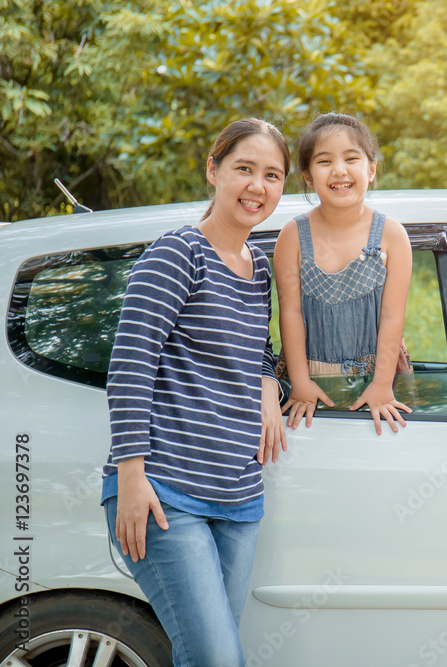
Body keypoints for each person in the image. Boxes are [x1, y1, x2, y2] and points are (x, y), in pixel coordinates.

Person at [101, 118, 290, 666]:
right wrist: (131, 478)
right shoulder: (177, 254)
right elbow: (130, 366)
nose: (258, 186)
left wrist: (267, 385)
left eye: (272, 175)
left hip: (238, 498)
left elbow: (257, 349)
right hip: (166, 494)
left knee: (212, 656)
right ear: (213, 170)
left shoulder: (257, 269)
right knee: (216, 661)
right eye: (244, 169)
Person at [274, 112, 412, 435]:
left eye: (352, 158)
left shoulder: (392, 236)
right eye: (324, 161)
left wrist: (381, 384)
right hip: (306, 386)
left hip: (381, 383)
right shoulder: (292, 237)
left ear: (372, 168)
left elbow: (393, 318)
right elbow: (290, 314)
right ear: (308, 176)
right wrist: (301, 381)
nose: (339, 170)